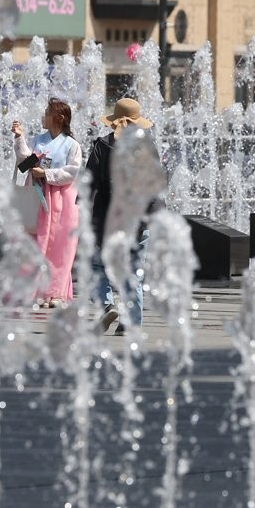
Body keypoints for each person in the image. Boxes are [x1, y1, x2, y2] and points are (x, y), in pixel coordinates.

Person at [86, 97, 162, 336]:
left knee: (96, 265)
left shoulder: (101, 146)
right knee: (132, 274)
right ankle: (131, 325)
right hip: (138, 222)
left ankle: (107, 305)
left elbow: (88, 184)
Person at [11, 98, 82, 308]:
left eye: (47, 113)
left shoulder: (72, 145)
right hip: (37, 195)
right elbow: (25, 161)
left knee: (60, 247)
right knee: (36, 243)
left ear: (59, 118)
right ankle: (37, 291)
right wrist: (19, 138)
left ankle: (57, 292)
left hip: (62, 199)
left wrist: (47, 173)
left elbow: (72, 172)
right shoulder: (38, 140)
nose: (43, 116)